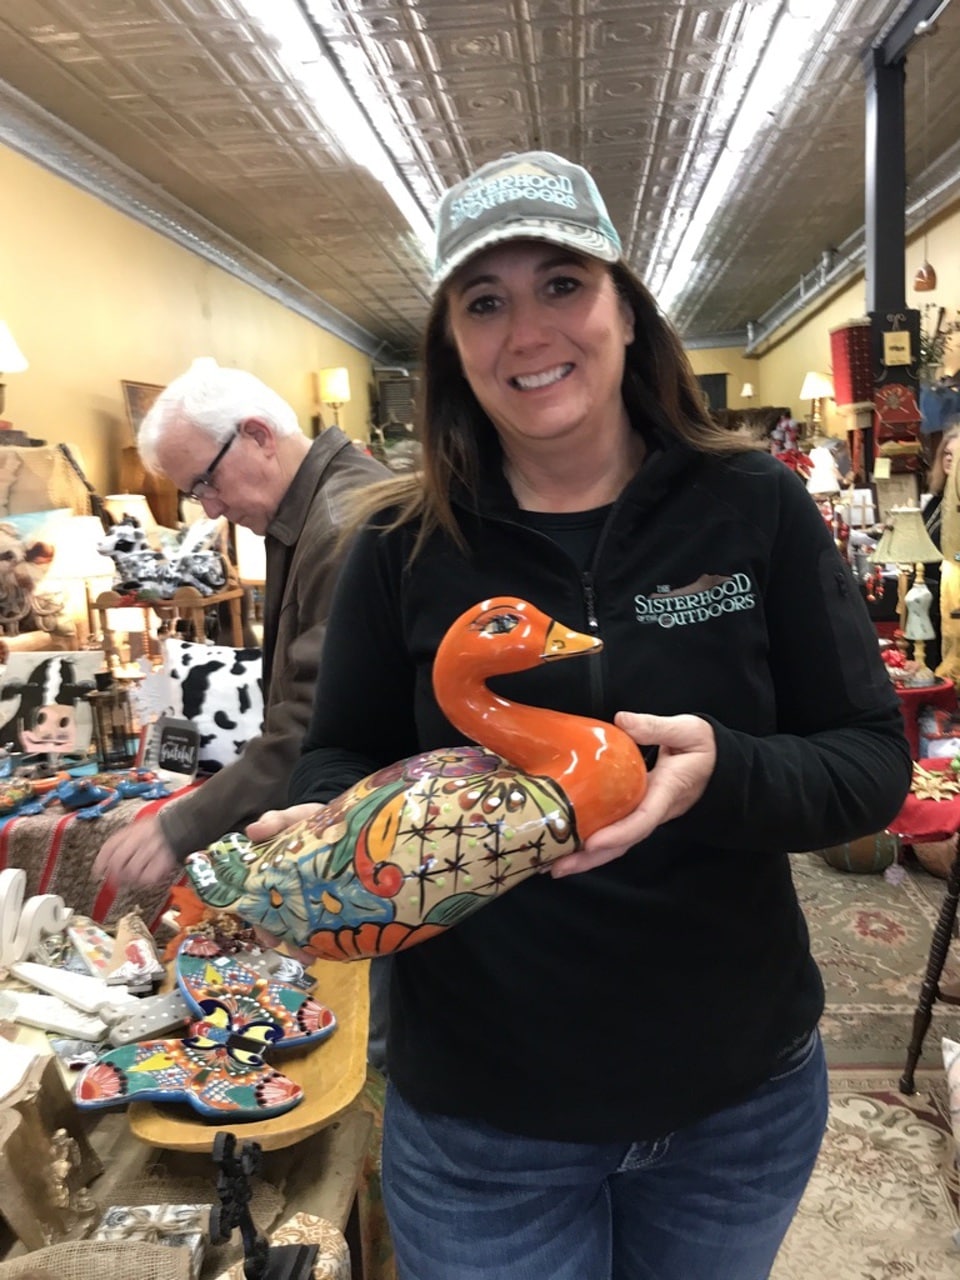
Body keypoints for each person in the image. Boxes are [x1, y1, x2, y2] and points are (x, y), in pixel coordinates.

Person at [285, 151, 911, 1279]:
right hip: (485, 1122)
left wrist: (721, 773)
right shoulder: (396, 544)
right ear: (451, 345)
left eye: (562, 283)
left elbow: (870, 765)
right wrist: (368, 828)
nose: (528, 332)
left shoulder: (754, 506)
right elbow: (334, 757)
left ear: (626, 305)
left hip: (737, 1100)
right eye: (485, 301)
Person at [92, 361, 388, 890]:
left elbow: (313, 722)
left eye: (207, 481)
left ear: (257, 435)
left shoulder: (343, 522)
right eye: (194, 492)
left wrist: (178, 828)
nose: (208, 507)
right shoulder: (318, 510)